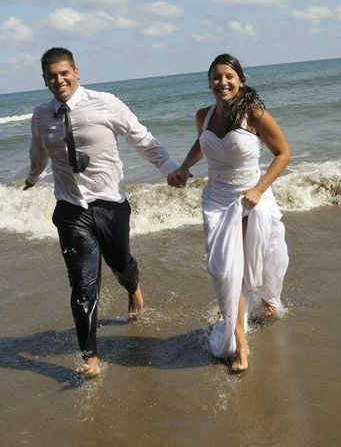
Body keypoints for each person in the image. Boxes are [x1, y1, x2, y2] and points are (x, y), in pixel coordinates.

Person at [24, 47, 177, 378]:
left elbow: (141, 137)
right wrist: (33, 176)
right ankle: (89, 355)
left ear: (77, 72)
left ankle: (133, 287)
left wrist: (169, 168)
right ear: (44, 80)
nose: (59, 79)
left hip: (110, 204)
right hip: (70, 208)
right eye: (52, 75)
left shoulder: (106, 103)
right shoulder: (40, 115)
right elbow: (38, 152)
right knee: (82, 283)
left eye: (64, 73)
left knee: (121, 262)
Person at [168, 53, 290, 372]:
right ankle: (241, 345)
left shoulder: (255, 115)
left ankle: (265, 301)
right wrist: (183, 167)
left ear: (240, 80)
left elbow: (282, 154)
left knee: (256, 260)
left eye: (228, 76)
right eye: (216, 77)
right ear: (209, 82)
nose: (222, 82)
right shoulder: (203, 116)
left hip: (252, 197)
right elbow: (202, 144)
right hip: (217, 201)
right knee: (225, 270)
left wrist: (259, 190)